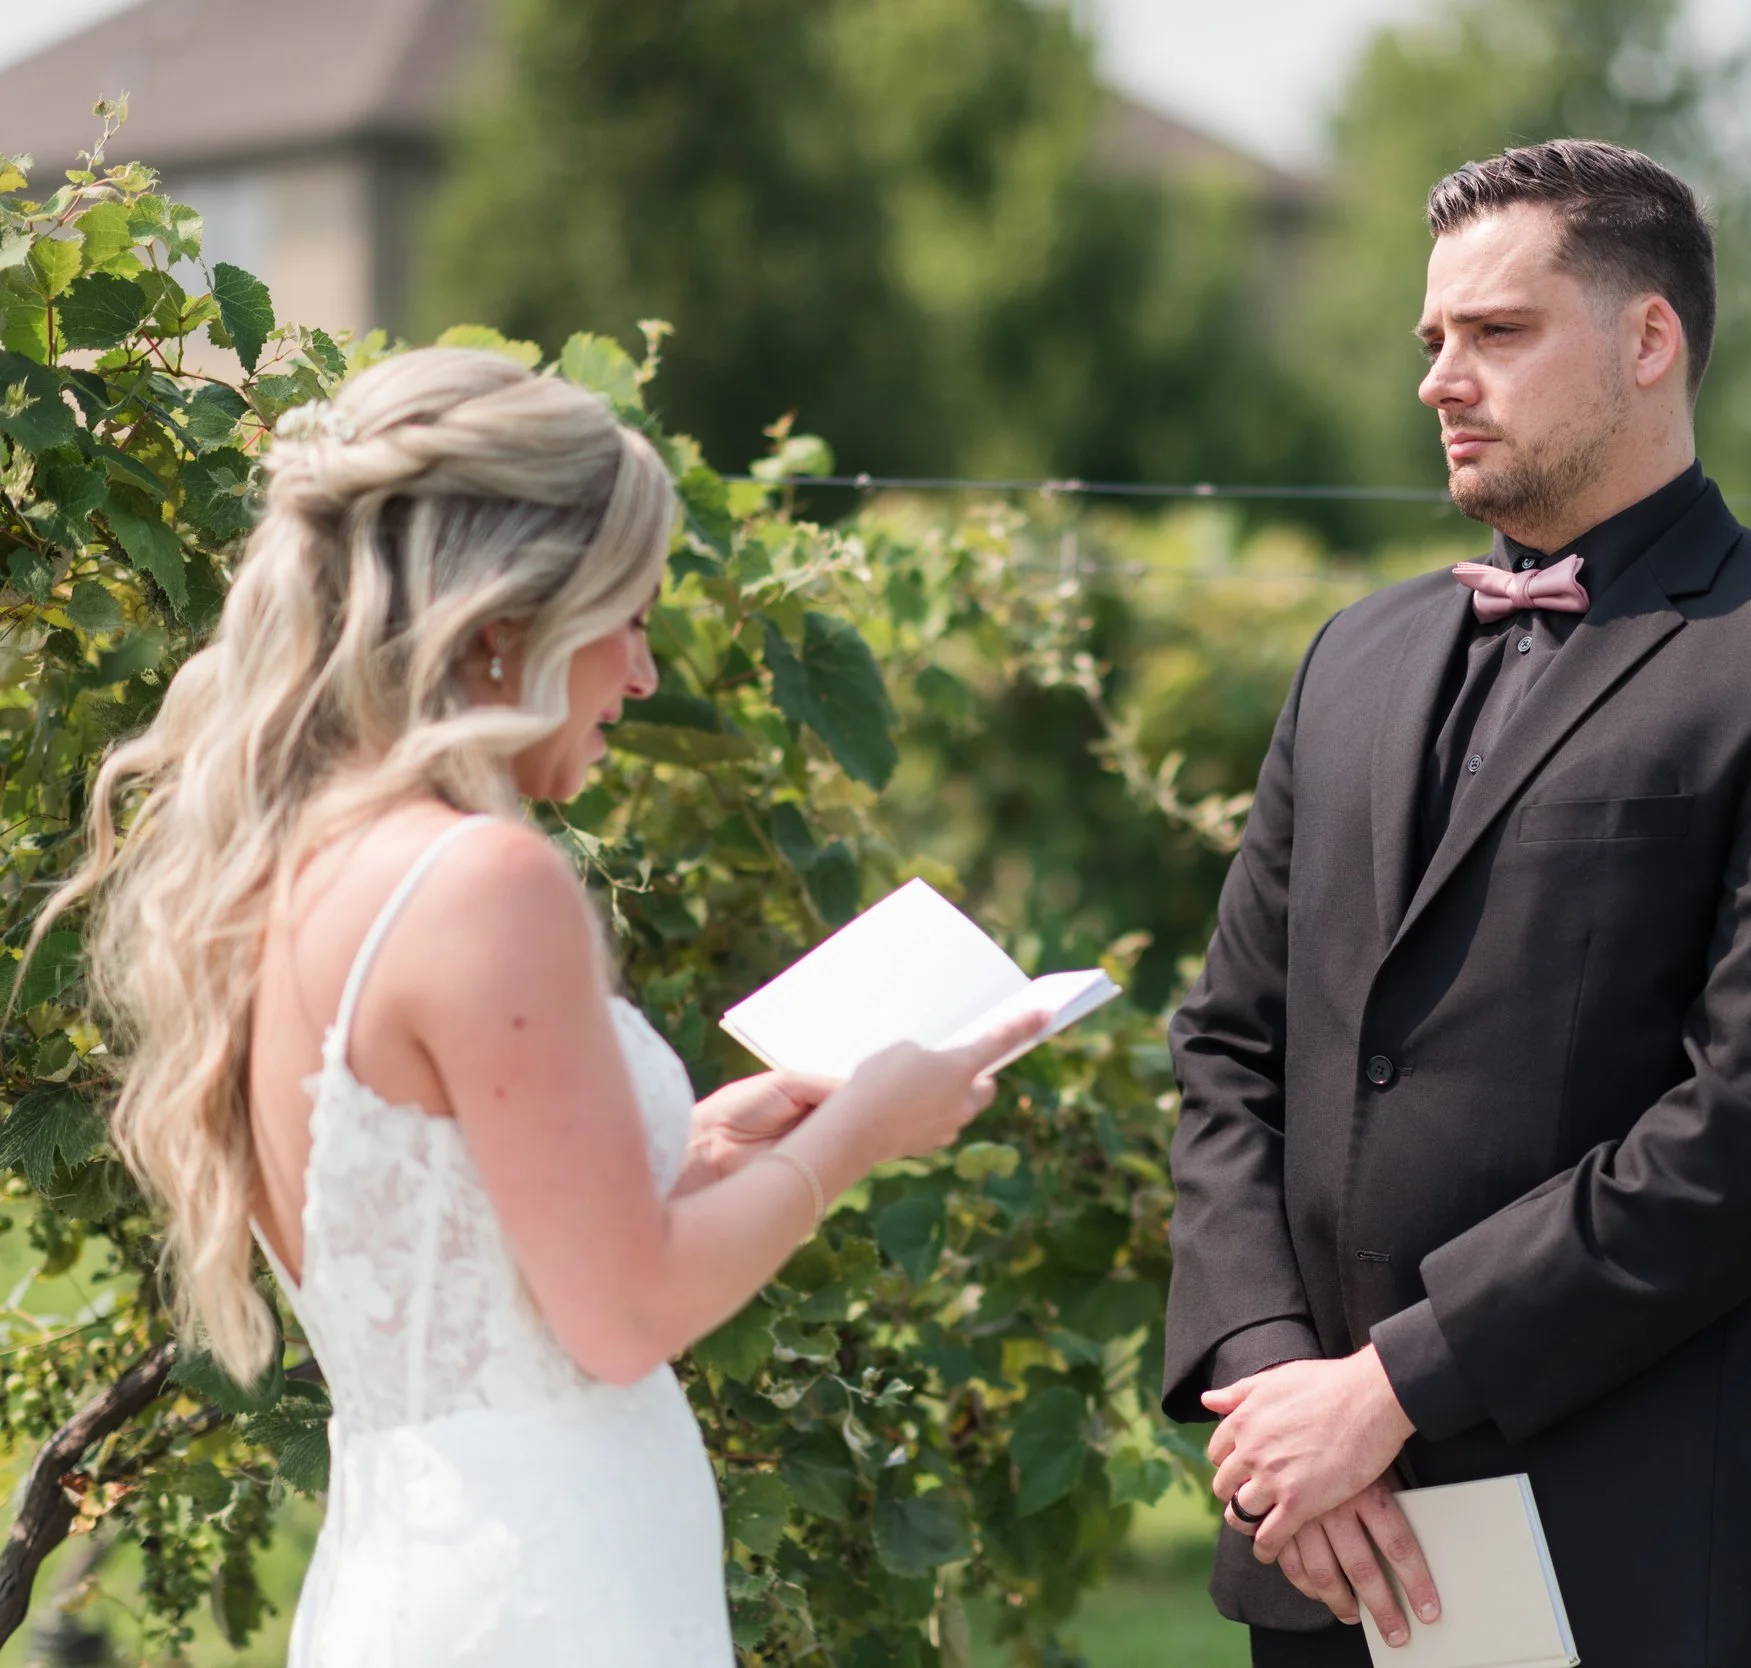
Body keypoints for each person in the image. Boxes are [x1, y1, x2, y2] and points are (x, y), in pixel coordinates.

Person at [38, 348, 1045, 1665]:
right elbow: (620, 1318)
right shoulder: (485, 885)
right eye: (625, 617)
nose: (639, 674)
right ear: (506, 621)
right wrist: (855, 1132)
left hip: (410, 1570)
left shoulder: (292, 878)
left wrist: (698, 1157)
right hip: (551, 1592)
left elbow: (462, 1258)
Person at [1162, 139, 1751, 1666]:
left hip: (1638, 1536)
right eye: (1434, 340)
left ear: (1650, 340)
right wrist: (1276, 1398)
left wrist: (1391, 1387)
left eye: (1498, 333)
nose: (1441, 379)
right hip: (1323, 1535)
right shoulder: (1353, 659)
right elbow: (1232, 1047)